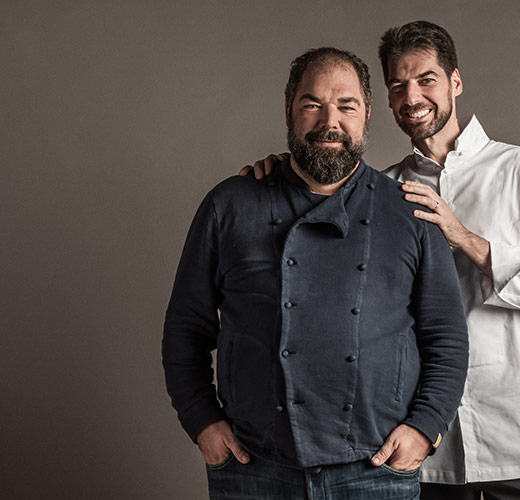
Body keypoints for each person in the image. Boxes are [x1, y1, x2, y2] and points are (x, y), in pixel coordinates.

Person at [244, 21, 520, 500]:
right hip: (425, 444)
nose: (412, 96)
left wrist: (463, 237)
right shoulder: (384, 190)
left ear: (455, 83)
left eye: (426, 79)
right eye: (398, 85)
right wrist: (282, 169)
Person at [163, 46, 469, 500]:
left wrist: (425, 428)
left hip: (374, 469)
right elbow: (185, 329)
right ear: (289, 111)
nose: (331, 120)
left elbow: (447, 336)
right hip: (254, 467)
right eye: (312, 104)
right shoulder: (230, 204)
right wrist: (202, 421)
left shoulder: (409, 213)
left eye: (346, 105)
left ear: (367, 114)